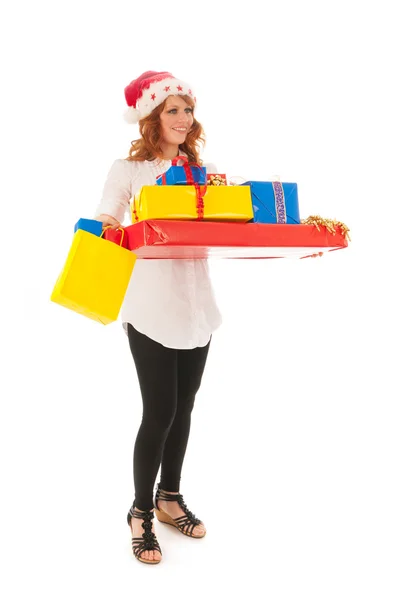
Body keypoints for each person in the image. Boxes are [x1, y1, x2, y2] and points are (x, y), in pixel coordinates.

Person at [93, 71, 223, 565]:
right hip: (149, 306)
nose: (184, 119)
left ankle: (170, 498)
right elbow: (108, 216)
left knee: (185, 407)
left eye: (187, 110)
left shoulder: (204, 170)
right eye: (172, 110)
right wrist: (107, 231)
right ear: (152, 118)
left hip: (197, 304)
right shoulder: (128, 170)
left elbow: (228, 226)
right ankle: (140, 511)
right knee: (159, 411)